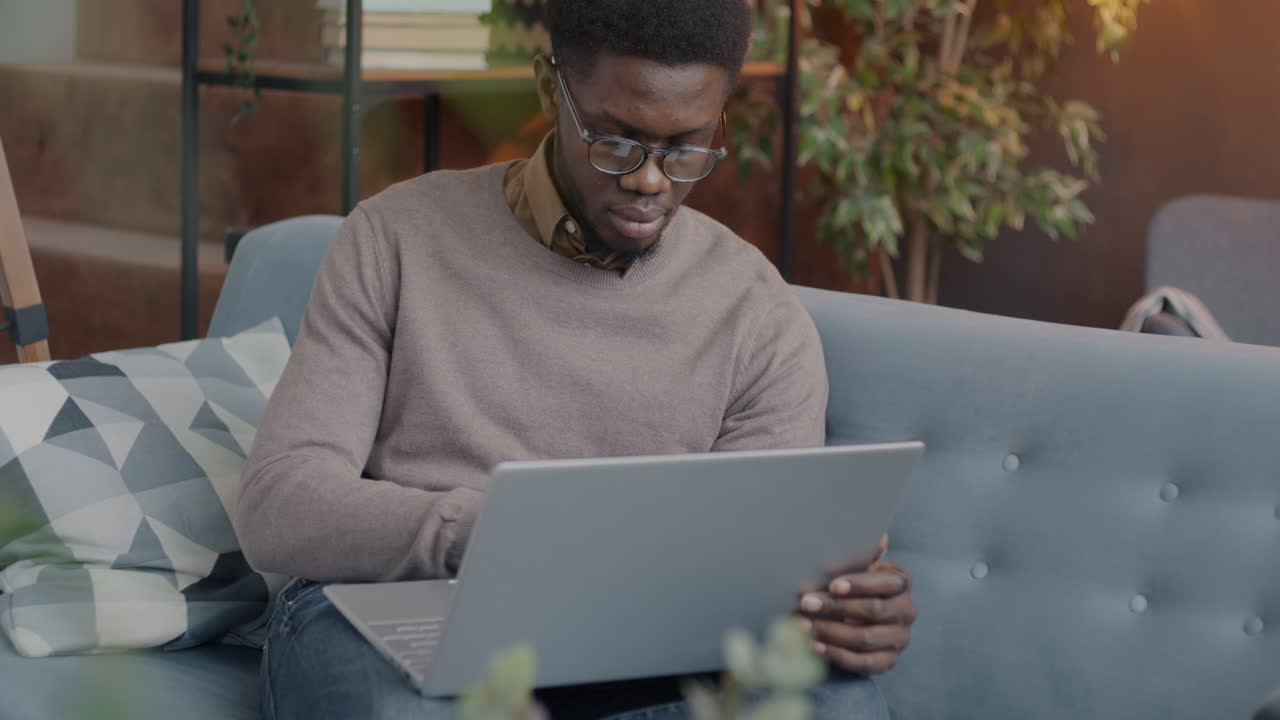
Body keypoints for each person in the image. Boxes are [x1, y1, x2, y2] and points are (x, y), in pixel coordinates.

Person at [235, 0, 917, 717]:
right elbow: (280, 504)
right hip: (396, 608)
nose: (650, 181)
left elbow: (753, 572)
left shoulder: (759, 314)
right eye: (616, 143)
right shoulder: (394, 238)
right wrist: (498, 534)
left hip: (639, 644)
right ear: (548, 89)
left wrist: (836, 613)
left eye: (686, 147)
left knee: (840, 704)